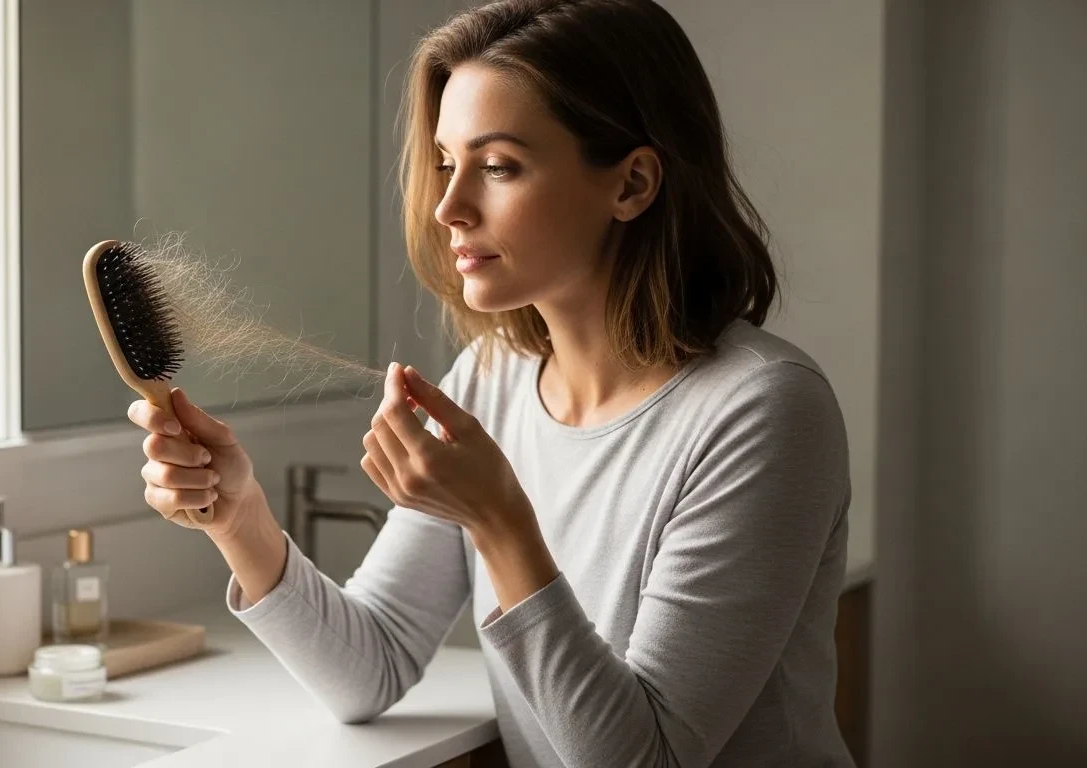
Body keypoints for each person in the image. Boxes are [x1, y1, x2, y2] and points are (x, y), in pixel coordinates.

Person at [127, 1, 854, 765]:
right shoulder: (490, 382)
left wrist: (502, 522)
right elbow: (366, 668)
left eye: (499, 166)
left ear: (633, 184)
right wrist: (238, 517)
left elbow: (645, 759)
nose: (448, 207)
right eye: (446, 163)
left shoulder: (764, 410)